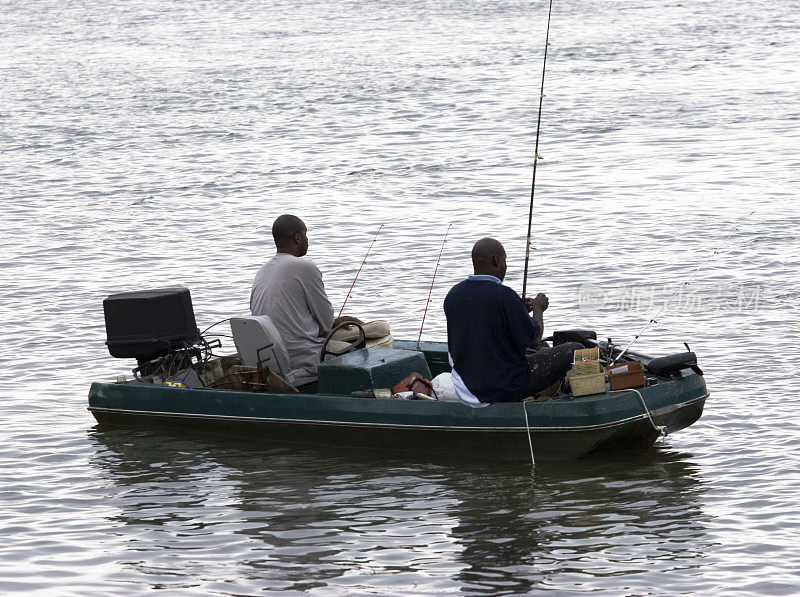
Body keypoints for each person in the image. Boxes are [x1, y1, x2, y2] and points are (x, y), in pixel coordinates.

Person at [443, 237, 582, 406]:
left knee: (543, 350)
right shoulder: (505, 296)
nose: (505, 266)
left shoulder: (453, 295)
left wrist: (520, 311)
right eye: (505, 260)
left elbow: (484, 323)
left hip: (464, 388)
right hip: (501, 388)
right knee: (575, 349)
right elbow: (535, 339)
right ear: (497, 260)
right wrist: (538, 308)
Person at [250, 214, 361, 374]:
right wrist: (333, 321)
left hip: (268, 359)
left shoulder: (262, 271)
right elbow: (326, 321)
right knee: (360, 350)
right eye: (305, 234)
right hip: (303, 358)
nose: (307, 240)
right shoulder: (305, 267)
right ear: (298, 238)